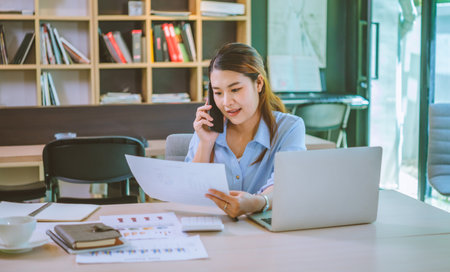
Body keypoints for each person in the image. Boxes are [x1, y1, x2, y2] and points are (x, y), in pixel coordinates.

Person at [185, 43, 306, 219]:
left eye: (235, 90)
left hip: (265, 234)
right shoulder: (207, 129)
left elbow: (286, 184)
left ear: (258, 83)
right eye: (218, 93)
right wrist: (205, 143)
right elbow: (190, 193)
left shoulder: (289, 128)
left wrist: (257, 202)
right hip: (214, 231)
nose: (226, 102)